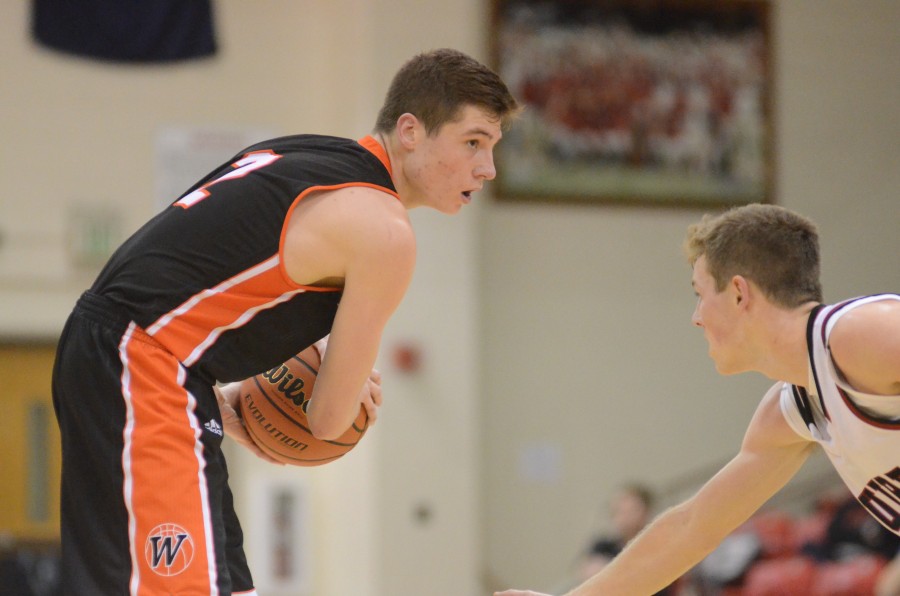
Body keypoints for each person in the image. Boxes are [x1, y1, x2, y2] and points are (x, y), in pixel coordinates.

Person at [51, 48, 519, 595]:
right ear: (411, 130)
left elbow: (180, 275)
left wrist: (233, 400)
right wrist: (331, 398)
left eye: (491, 149)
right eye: (473, 143)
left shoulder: (302, 153)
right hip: (143, 365)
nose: (486, 169)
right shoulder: (384, 231)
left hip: (143, 360)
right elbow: (325, 421)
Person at [496, 203, 900, 596]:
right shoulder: (789, 411)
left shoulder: (863, 334)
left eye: (699, 293)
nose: (696, 316)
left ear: (739, 293)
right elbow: (691, 528)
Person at [574, 484, 676, 595]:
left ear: (646, 511)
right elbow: (588, 576)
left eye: (631, 510)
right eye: (619, 511)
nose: (624, 516)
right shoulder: (603, 546)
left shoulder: (659, 547)